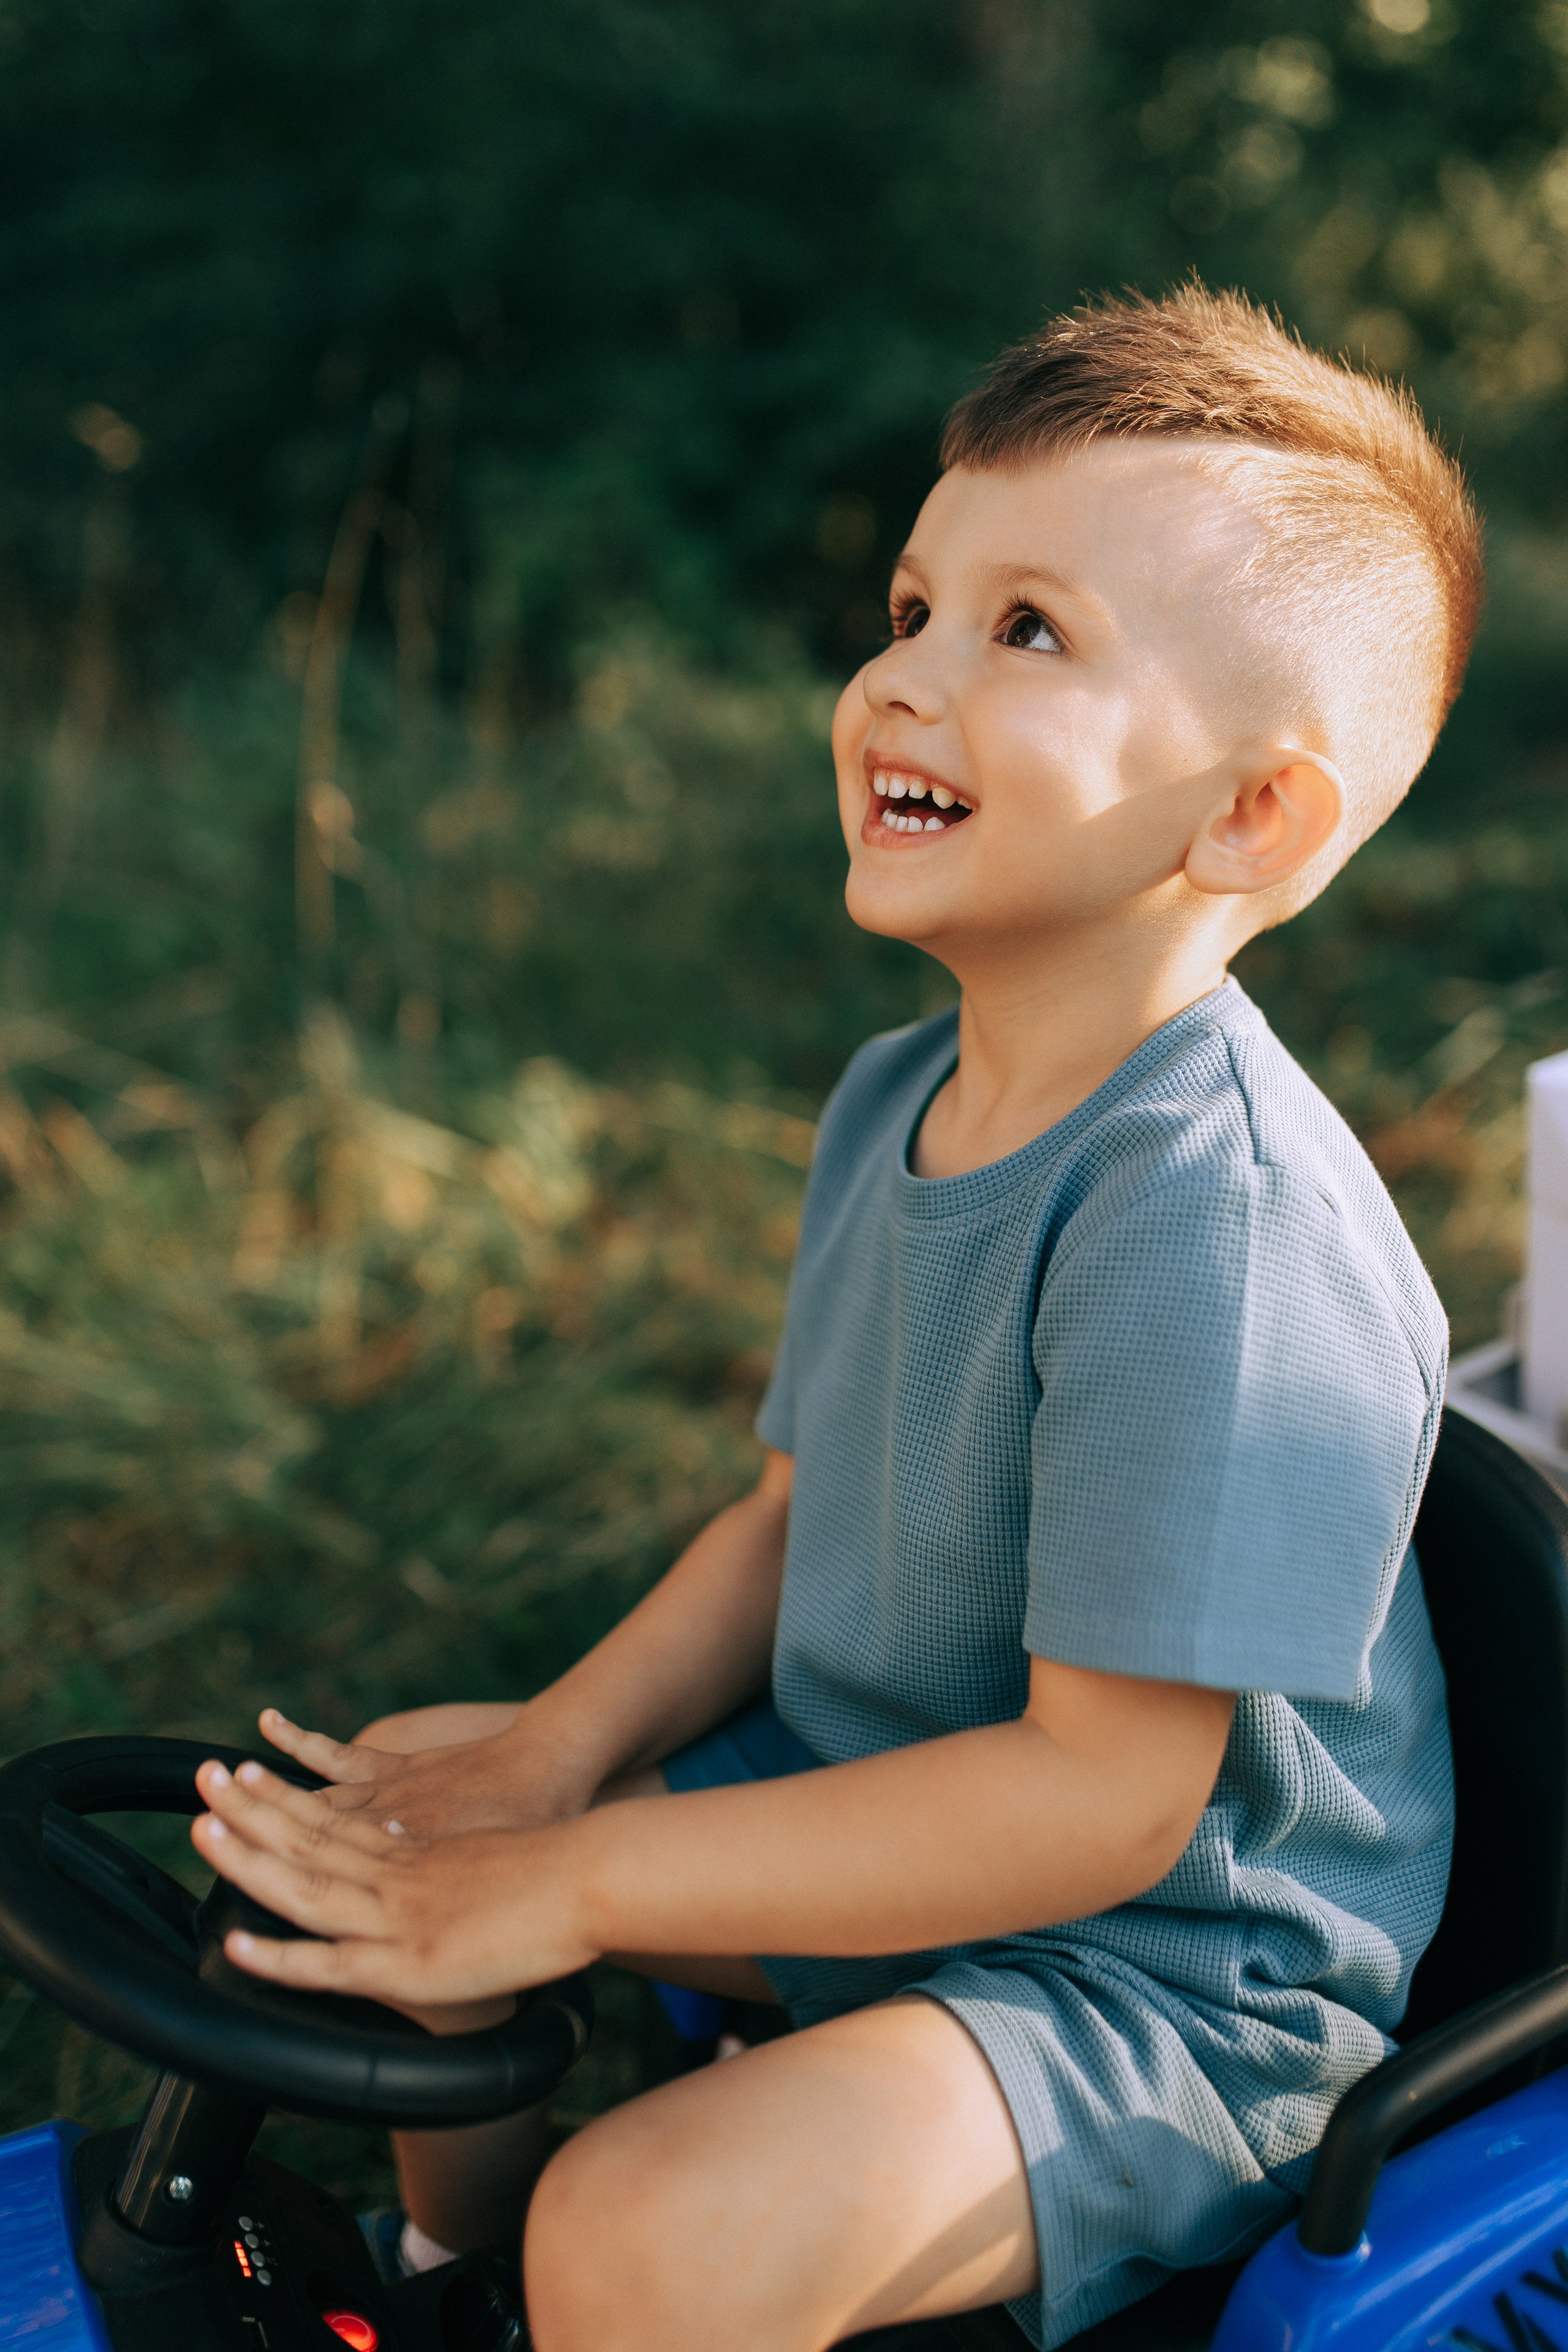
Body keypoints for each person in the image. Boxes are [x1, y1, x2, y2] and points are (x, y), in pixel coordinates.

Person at [190, 284, 1480, 2352]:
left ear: (1250, 816)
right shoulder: (906, 1092)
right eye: (911, 605)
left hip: (1154, 1982)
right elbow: (791, 1520)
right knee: (422, 1786)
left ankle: (594, 2282)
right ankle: (466, 2296)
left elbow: (1103, 1804)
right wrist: (543, 1771)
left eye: (1026, 632)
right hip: (892, 1782)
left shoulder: (1215, 1224)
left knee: (658, 2228)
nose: (902, 680)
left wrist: (583, 1884)